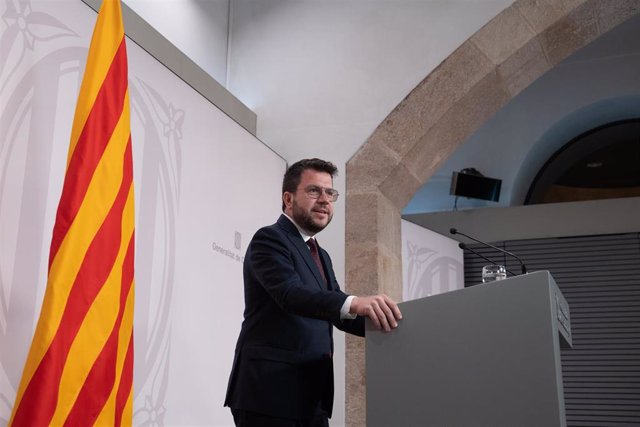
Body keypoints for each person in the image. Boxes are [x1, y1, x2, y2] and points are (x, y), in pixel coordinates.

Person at [224, 158, 402, 427]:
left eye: (330, 193)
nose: (325, 200)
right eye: (314, 191)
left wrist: (391, 322)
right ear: (288, 198)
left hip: (311, 398)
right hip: (269, 395)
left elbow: (337, 313)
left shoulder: (321, 254)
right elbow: (291, 294)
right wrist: (355, 302)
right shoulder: (270, 239)